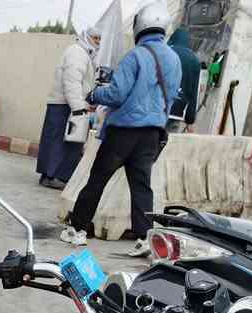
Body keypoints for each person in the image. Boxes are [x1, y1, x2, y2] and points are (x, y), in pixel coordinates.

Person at [61, 1, 181, 257]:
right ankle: (145, 238)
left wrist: (95, 94)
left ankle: (77, 230)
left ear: (140, 26)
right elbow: (171, 96)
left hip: (124, 132)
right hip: (152, 133)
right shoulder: (174, 59)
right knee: (141, 186)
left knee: (97, 179)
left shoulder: (135, 56)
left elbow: (116, 94)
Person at [36, 25, 102, 190]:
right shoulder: (77, 53)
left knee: (68, 143)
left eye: (99, 39)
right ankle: (51, 177)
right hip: (65, 105)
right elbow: (72, 81)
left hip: (70, 104)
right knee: (59, 142)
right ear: (87, 37)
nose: (98, 42)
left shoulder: (85, 54)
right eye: (95, 38)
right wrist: (78, 107)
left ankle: (57, 176)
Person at [168, 27, 200, 132]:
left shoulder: (166, 52)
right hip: (177, 113)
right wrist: (190, 118)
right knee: (168, 140)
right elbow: (194, 92)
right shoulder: (195, 60)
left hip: (158, 109)